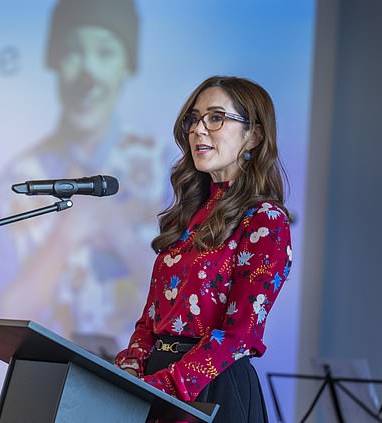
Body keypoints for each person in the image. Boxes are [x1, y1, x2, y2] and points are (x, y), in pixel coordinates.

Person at [0, 0, 169, 347]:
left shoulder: (165, 169)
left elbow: (186, 303)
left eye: (106, 53)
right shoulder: (20, 177)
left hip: (147, 380)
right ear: (54, 62)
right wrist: (66, 235)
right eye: (73, 52)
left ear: (128, 66)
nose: (89, 72)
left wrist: (118, 233)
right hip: (43, 373)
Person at [115, 76, 292, 422]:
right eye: (193, 119)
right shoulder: (189, 214)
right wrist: (129, 367)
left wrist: (165, 385)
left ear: (253, 136)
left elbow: (241, 335)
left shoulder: (265, 220)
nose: (198, 129)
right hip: (158, 384)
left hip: (209, 387)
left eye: (215, 118)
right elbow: (151, 320)